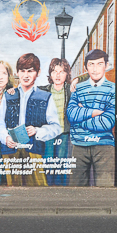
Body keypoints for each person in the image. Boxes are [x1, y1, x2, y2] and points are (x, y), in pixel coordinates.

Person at [0, 53, 61, 186]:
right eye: (22, 71)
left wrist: (38, 131)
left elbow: (56, 127)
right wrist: (5, 137)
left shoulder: (45, 97)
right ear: (17, 72)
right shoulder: (9, 95)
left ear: (38, 72)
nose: (26, 75)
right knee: (12, 187)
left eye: (30, 71)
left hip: (34, 150)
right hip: (10, 150)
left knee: (38, 187)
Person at [67, 49, 116, 186]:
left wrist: (81, 118)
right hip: (79, 145)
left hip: (104, 146)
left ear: (106, 65)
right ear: (86, 67)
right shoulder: (78, 88)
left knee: (105, 189)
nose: (95, 69)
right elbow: (71, 115)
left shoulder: (113, 89)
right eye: (91, 64)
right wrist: (96, 112)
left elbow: (107, 122)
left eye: (99, 64)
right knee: (76, 191)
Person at [39, 58, 78, 186]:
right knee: (48, 160)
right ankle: (48, 187)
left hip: (63, 132)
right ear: (50, 74)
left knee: (61, 161)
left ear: (67, 74)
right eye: (55, 71)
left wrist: (77, 80)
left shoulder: (69, 90)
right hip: (48, 132)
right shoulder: (43, 90)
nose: (57, 75)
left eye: (61, 72)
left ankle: (61, 187)